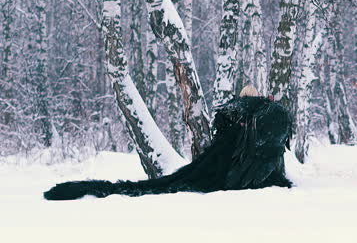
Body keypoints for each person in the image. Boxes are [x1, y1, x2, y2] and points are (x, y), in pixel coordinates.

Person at [44, 85, 292, 200]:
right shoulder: (268, 119)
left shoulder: (234, 116)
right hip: (237, 175)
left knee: (168, 184)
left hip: (217, 171)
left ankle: (84, 190)